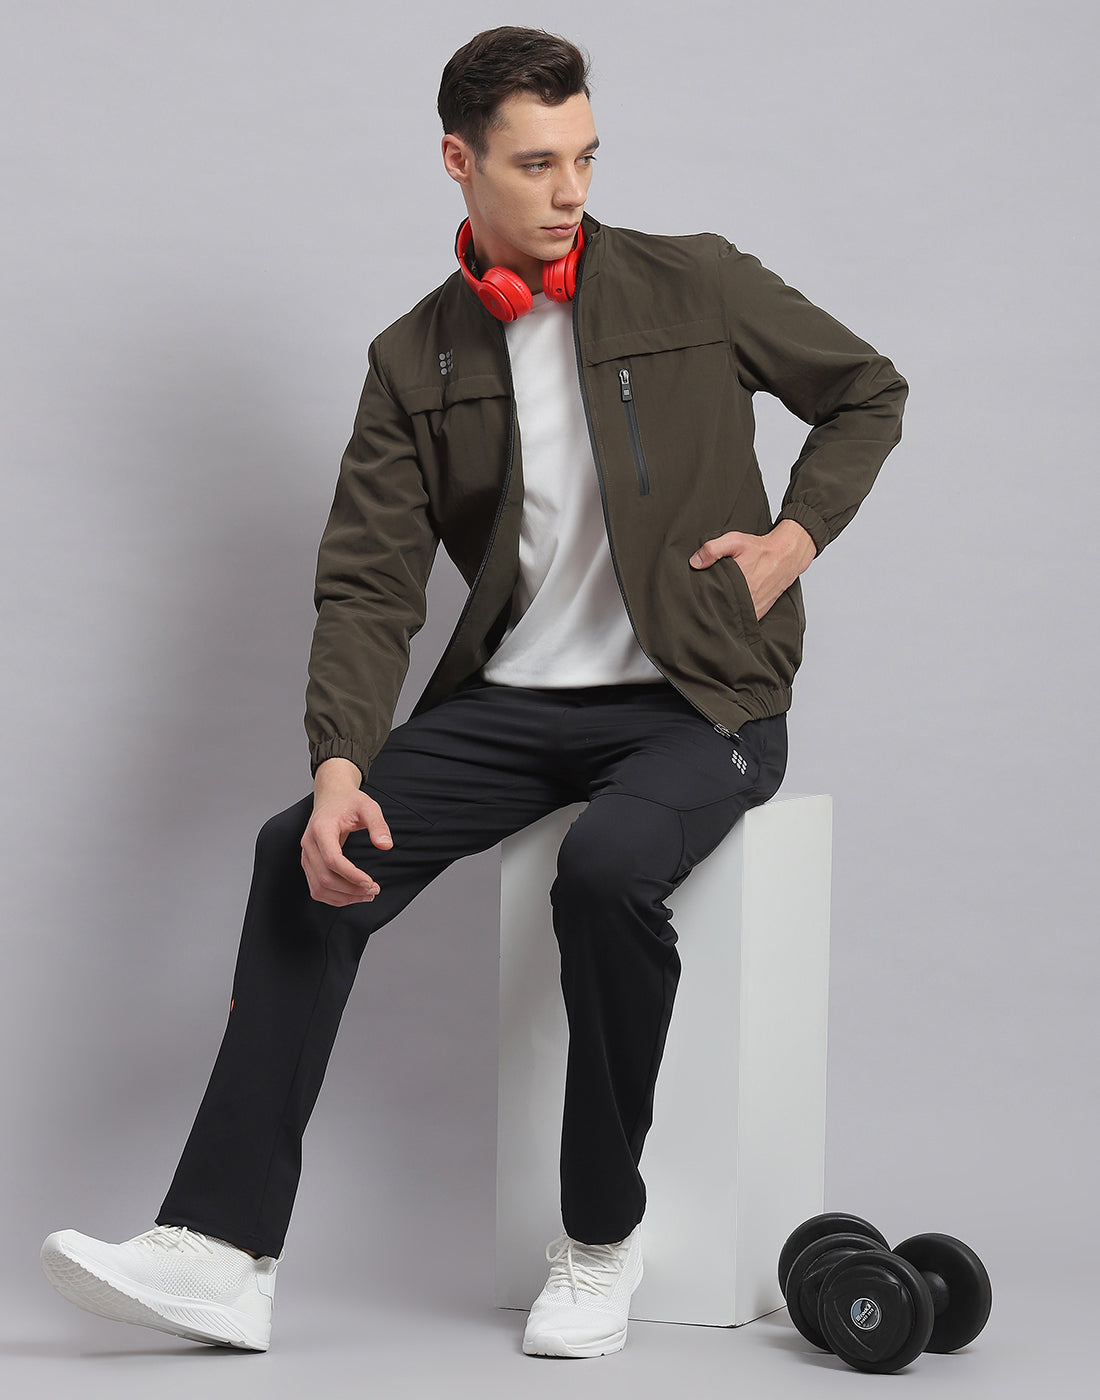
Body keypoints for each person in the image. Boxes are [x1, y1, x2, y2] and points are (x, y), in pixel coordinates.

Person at [41, 26, 907, 1360]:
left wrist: (796, 539)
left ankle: (600, 1238)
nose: (570, 191)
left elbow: (865, 391)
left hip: (699, 700)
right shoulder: (416, 361)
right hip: (514, 707)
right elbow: (369, 585)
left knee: (605, 870)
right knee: (298, 853)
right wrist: (341, 766)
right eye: (535, 162)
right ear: (459, 161)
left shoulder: (696, 283)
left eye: (586, 158)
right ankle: (219, 1251)